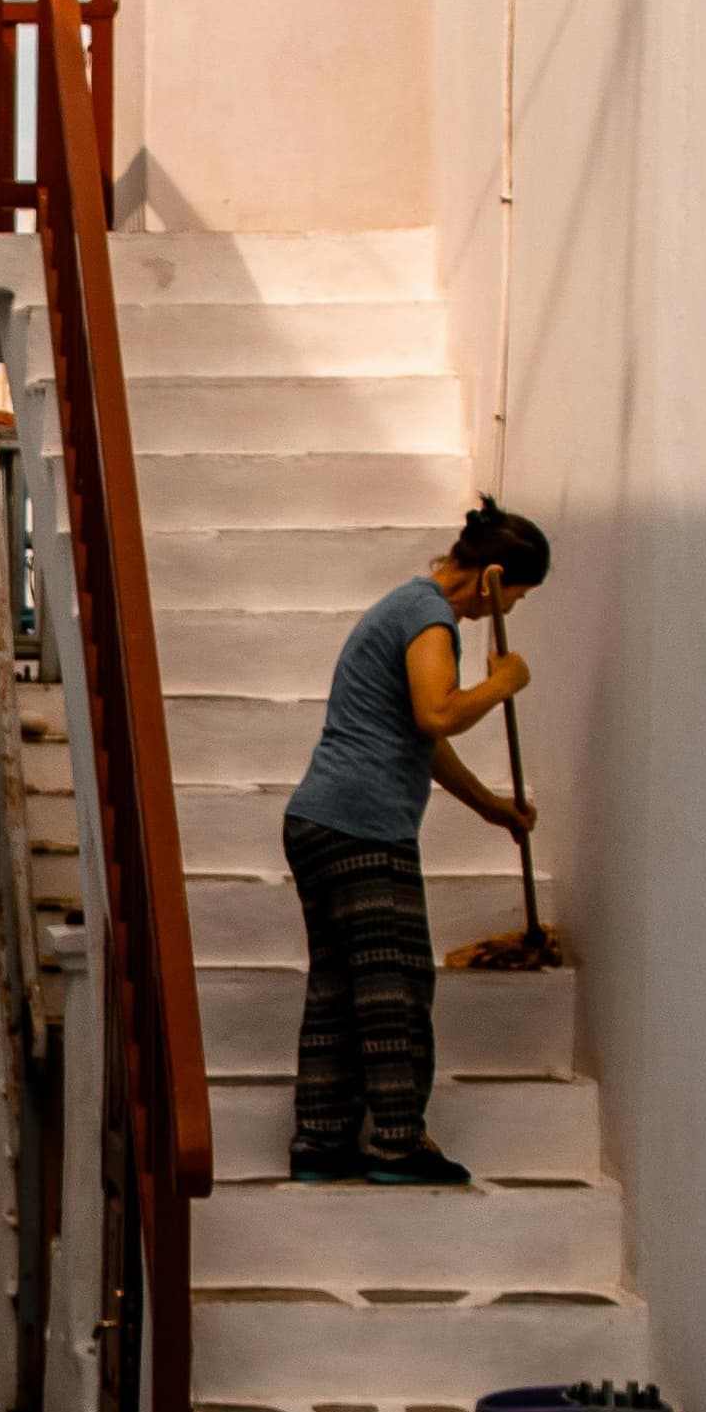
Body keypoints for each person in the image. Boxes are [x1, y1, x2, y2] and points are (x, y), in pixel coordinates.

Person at [282, 499, 549, 1185]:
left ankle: (322, 1139)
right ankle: (397, 1143)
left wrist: (493, 809)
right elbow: (439, 711)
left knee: (340, 988)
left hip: (320, 819)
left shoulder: (403, 610)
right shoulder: (429, 616)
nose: (510, 610)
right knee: (396, 985)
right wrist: (501, 682)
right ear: (492, 576)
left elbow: (420, 739)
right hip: (363, 825)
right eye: (516, 593)